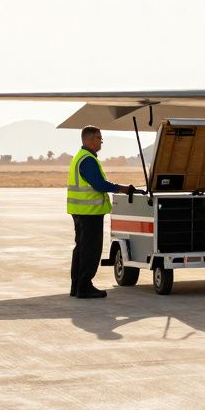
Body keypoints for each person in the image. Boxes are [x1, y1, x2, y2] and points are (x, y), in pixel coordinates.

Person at [67, 126, 135, 299]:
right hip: (89, 213)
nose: (101, 141)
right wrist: (122, 188)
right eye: (99, 138)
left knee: (81, 249)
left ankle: (77, 285)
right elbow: (99, 184)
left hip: (81, 211)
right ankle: (85, 286)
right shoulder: (88, 160)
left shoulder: (80, 157)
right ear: (89, 140)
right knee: (90, 250)